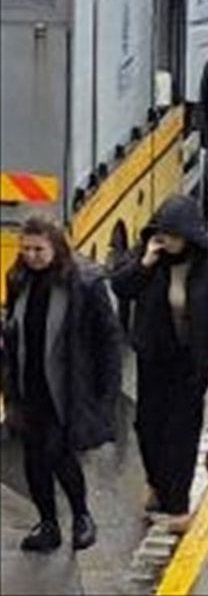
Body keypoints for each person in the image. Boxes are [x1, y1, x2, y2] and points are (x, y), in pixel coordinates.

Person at [110, 194, 208, 533]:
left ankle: (178, 503)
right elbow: (121, 287)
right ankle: (157, 484)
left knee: (182, 433)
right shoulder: (148, 257)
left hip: (192, 361)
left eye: (172, 235)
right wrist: (145, 263)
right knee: (147, 426)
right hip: (154, 356)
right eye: (161, 233)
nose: (166, 240)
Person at [2, 214, 122, 553]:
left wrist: (105, 397)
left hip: (67, 388)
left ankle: (82, 515)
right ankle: (48, 523)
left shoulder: (83, 284)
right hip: (29, 385)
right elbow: (14, 328)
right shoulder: (19, 279)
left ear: (55, 246)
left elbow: (107, 340)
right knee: (33, 458)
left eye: (38, 249)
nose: (31, 255)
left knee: (58, 452)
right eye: (25, 248)